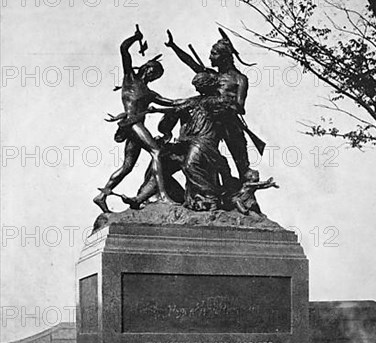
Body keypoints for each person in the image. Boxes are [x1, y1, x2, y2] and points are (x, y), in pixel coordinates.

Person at [93, 25, 179, 213]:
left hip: (134, 127)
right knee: (156, 152)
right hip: (133, 124)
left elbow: (172, 102)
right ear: (147, 68)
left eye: (156, 76)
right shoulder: (130, 78)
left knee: (127, 166)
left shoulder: (149, 92)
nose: (153, 76)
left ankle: (102, 195)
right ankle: (163, 196)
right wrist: (135, 37)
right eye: (153, 72)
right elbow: (123, 49)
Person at [122, 71, 234, 211]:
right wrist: (158, 111)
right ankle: (139, 198)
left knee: (190, 165)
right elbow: (176, 104)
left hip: (203, 142)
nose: (196, 89)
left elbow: (230, 106)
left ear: (207, 86)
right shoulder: (195, 100)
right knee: (161, 163)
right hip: (186, 142)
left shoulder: (217, 102)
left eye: (199, 86)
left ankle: (211, 197)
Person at [164, 29, 265, 182]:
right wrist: (173, 46)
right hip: (210, 122)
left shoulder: (240, 79)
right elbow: (191, 62)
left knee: (241, 161)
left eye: (214, 54)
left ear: (224, 57)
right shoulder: (212, 76)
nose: (210, 57)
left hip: (229, 121)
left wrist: (224, 103)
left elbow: (240, 106)